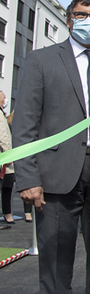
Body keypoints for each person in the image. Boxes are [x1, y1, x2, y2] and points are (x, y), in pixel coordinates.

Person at [12, 0, 90, 294]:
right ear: (68, 19)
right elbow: (25, 124)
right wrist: (28, 178)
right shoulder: (42, 60)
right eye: (81, 14)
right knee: (56, 258)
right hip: (55, 177)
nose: (88, 21)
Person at [1, 91, 33, 225]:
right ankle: (11, 214)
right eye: (3, 97)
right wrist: (9, 155)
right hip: (7, 158)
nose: (5, 99)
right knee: (7, 187)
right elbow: (4, 137)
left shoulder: (5, 116)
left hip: (10, 155)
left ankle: (11, 214)